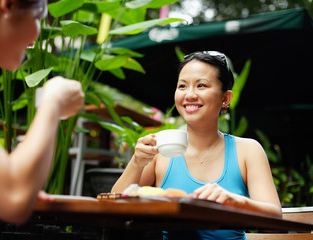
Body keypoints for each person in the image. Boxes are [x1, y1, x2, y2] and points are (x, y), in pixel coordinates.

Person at [111, 51, 281, 239]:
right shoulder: (159, 149)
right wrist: (137, 162)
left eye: (201, 85)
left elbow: (275, 218)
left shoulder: (248, 150)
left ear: (225, 98)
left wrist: (235, 201)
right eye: (182, 86)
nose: (190, 95)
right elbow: (114, 207)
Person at [0, 0, 84, 238]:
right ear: (8, 5)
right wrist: (52, 102)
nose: (38, 32)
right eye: (38, 16)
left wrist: (24, 181)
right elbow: (13, 199)